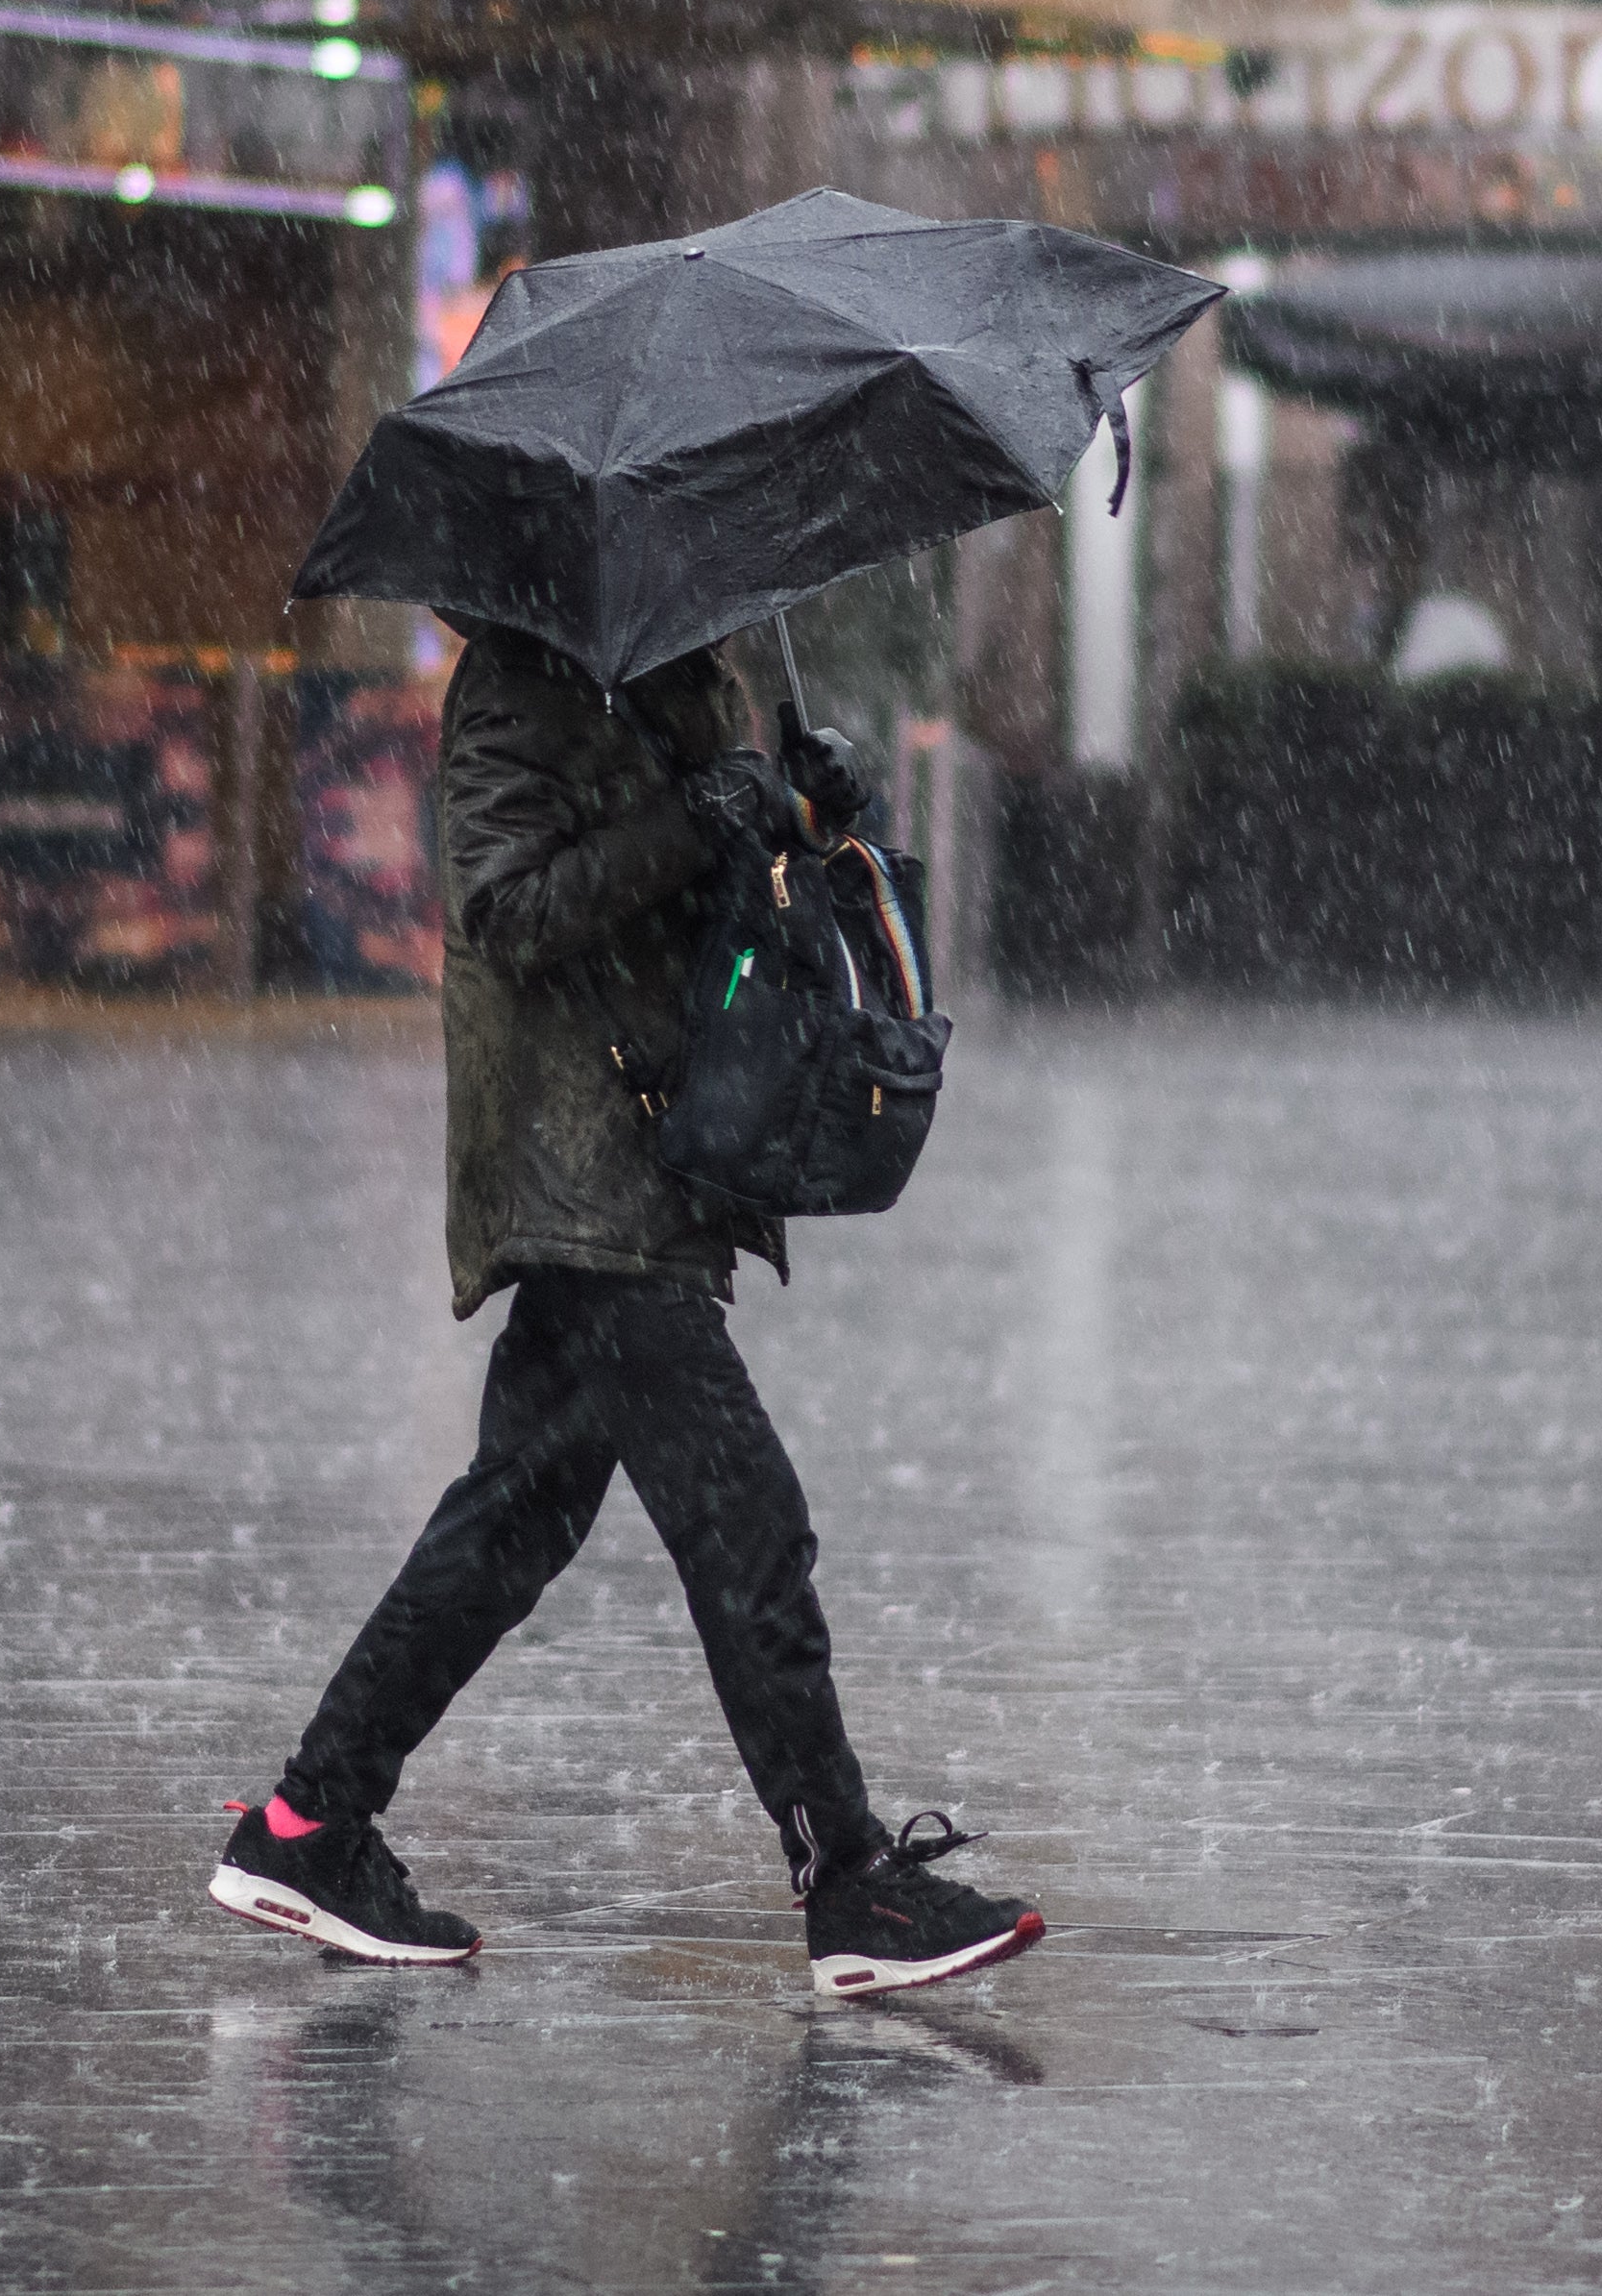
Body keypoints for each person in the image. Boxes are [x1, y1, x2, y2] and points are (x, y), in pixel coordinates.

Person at [207, 621, 1044, 1999]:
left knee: (507, 1527)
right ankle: (847, 1884)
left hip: (659, 1161)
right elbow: (501, 905)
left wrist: (802, 808)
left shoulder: (695, 664)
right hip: (578, 1173)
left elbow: (714, 884)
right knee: (745, 1528)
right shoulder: (516, 681)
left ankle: (306, 1824)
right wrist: (687, 817)